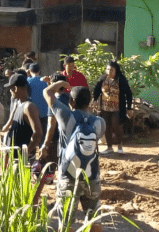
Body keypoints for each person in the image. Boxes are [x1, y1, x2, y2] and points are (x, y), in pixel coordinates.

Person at [44, 82, 106, 232]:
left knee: (65, 224)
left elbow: (47, 93)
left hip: (68, 176)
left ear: (71, 101)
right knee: (95, 220)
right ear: (90, 102)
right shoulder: (100, 122)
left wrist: (60, 83)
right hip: (91, 176)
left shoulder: (65, 115)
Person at [1, 73, 42, 165]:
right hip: (14, 157)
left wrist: (25, 153)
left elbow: (38, 133)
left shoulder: (29, 107)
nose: (10, 91)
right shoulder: (18, 104)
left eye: (11, 88)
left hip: (21, 160)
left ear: (15, 88)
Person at [93, 61, 133, 155]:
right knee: (106, 126)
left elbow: (129, 94)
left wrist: (129, 107)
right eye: (107, 69)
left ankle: (119, 146)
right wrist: (95, 99)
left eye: (111, 70)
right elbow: (97, 89)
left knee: (116, 125)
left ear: (116, 71)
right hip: (104, 107)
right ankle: (109, 147)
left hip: (117, 108)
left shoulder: (121, 80)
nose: (109, 71)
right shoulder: (102, 79)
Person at [40, 73, 70, 176]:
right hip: (69, 137)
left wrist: (45, 144)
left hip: (56, 138)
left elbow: (51, 126)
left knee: (49, 169)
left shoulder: (53, 101)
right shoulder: (70, 98)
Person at [27, 63, 49, 139]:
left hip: (32, 113)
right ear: (39, 71)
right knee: (43, 135)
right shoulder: (45, 82)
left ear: (29, 71)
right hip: (44, 112)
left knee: (32, 135)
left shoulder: (27, 81)